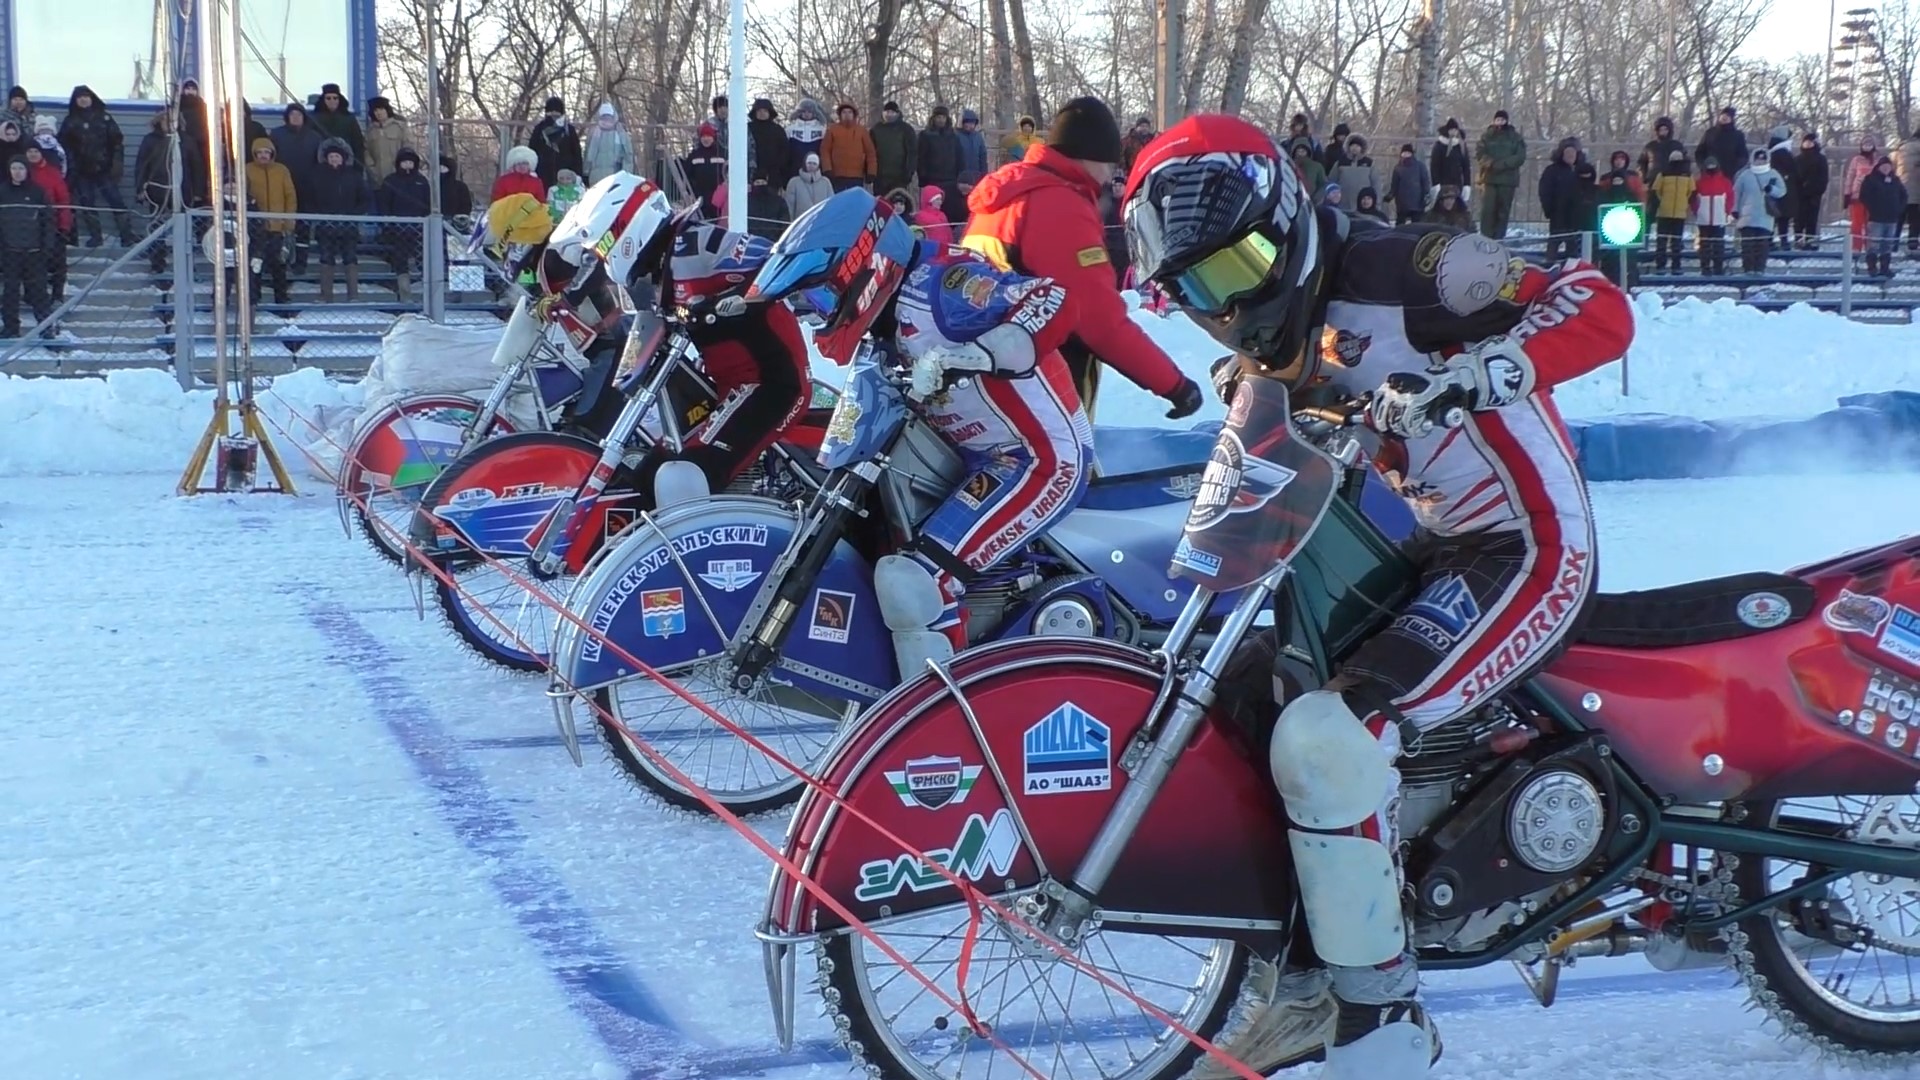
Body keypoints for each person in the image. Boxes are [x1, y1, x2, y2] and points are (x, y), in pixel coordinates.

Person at [1121, 112, 1632, 1080]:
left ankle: (1384, 1013)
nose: (1229, 303)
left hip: (1528, 547)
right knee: (1251, 699)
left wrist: (1483, 370)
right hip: (1437, 550)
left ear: (1286, 220)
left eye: (1242, 267)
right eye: (1199, 288)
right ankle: (1307, 979)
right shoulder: (1285, 332)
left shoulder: (1417, 272)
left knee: (1335, 735)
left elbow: (1599, 306)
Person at [751, 189, 1200, 674]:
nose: (818, 313)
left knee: (916, 580)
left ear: (865, 265)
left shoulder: (943, 288)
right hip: (971, 455)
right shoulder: (886, 315)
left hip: (1038, 460)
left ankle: (942, 710)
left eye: (820, 296)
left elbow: (1051, 300)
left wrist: (980, 354)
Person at [961, 96, 1195, 420]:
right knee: (1069, 470)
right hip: (1042, 395)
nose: (1107, 177)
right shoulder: (1059, 206)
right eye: (1109, 165)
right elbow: (1098, 320)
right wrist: (1175, 385)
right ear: (1090, 156)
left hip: (984, 385)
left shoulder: (1006, 195)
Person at [243, 137, 296, 304]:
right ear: (254, 154)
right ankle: (254, 297)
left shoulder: (282, 170)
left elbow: (290, 196)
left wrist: (289, 220)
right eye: (260, 152)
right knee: (255, 263)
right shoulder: (247, 170)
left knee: (279, 264)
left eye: (267, 152)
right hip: (255, 227)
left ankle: (281, 298)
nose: (263, 155)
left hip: (277, 225)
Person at [1732, 147, 1786, 274]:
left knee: (1762, 245)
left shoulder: (1773, 174)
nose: (1760, 161)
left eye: (1763, 159)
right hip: (1747, 216)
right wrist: (1735, 209)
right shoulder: (1745, 175)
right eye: (1758, 158)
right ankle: (1748, 268)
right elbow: (1736, 193)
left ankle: (1760, 268)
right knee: (1748, 245)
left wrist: (1771, 189)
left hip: (1765, 216)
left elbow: (1782, 191)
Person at [1475, 109, 1525, 239]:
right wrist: (1491, 163)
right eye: (1498, 119)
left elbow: (1520, 156)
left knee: (1503, 212)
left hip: (1507, 180)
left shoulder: (1515, 137)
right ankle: (1485, 238)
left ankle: (1499, 239)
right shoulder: (1486, 136)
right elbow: (1480, 153)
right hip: (1488, 178)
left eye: (1502, 120)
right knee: (1487, 211)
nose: (1500, 122)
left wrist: (1503, 164)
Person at [1859, 154, 1907, 277]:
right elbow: (1864, 196)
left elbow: (1904, 195)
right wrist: (1873, 208)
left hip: (1892, 218)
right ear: (1879, 167)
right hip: (1876, 218)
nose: (1886, 168)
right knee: (1874, 244)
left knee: (1887, 245)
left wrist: (1898, 209)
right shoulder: (1870, 179)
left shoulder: (1895, 180)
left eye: (1888, 166)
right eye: (1883, 166)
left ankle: (1885, 268)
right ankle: (1872, 267)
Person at [1648, 150, 1694, 272]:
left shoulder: (1685, 175)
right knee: (1666, 242)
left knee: (1674, 242)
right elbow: (1656, 190)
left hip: (1673, 212)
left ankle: (1673, 265)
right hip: (1668, 212)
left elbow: (1691, 192)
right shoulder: (1665, 174)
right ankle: (1664, 265)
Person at [1792, 133, 1828, 250]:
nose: (1807, 144)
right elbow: (1794, 177)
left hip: (1814, 194)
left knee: (1812, 219)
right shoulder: (1797, 159)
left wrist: (1817, 190)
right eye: (1805, 142)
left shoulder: (1821, 159)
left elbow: (1823, 178)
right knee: (1798, 219)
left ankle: (1810, 241)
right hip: (1799, 194)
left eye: (1810, 142)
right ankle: (1798, 240)